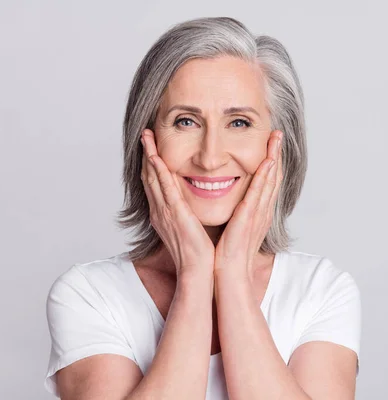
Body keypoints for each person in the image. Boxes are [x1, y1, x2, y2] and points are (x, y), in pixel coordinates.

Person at [44, 16, 361, 400]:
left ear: (280, 145)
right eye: (186, 121)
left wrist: (230, 275)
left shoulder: (322, 291)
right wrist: (196, 272)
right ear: (147, 142)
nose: (210, 157)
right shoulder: (88, 294)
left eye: (240, 122)